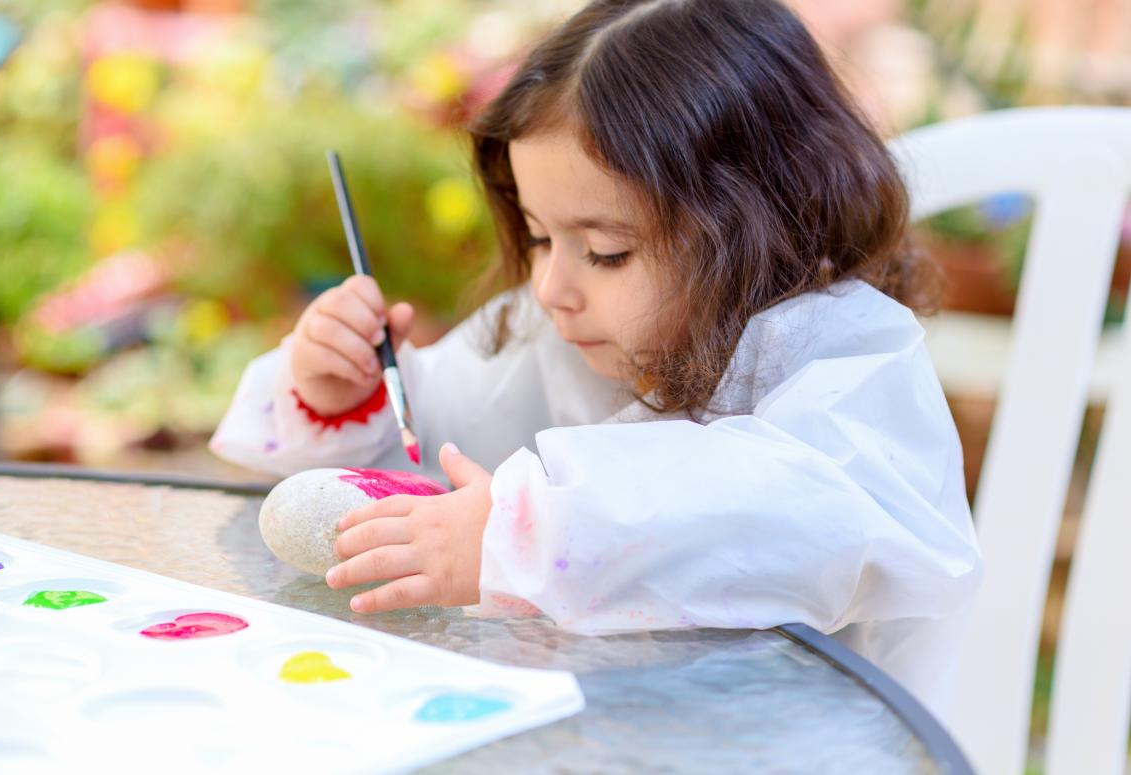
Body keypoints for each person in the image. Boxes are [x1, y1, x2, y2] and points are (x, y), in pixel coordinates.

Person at [211, 0, 982, 717]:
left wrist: (532, 528)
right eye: (541, 236)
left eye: (606, 251)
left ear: (755, 225)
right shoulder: (556, 329)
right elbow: (420, 461)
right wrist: (341, 390)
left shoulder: (847, 355)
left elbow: (799, 517)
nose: (551, 286)